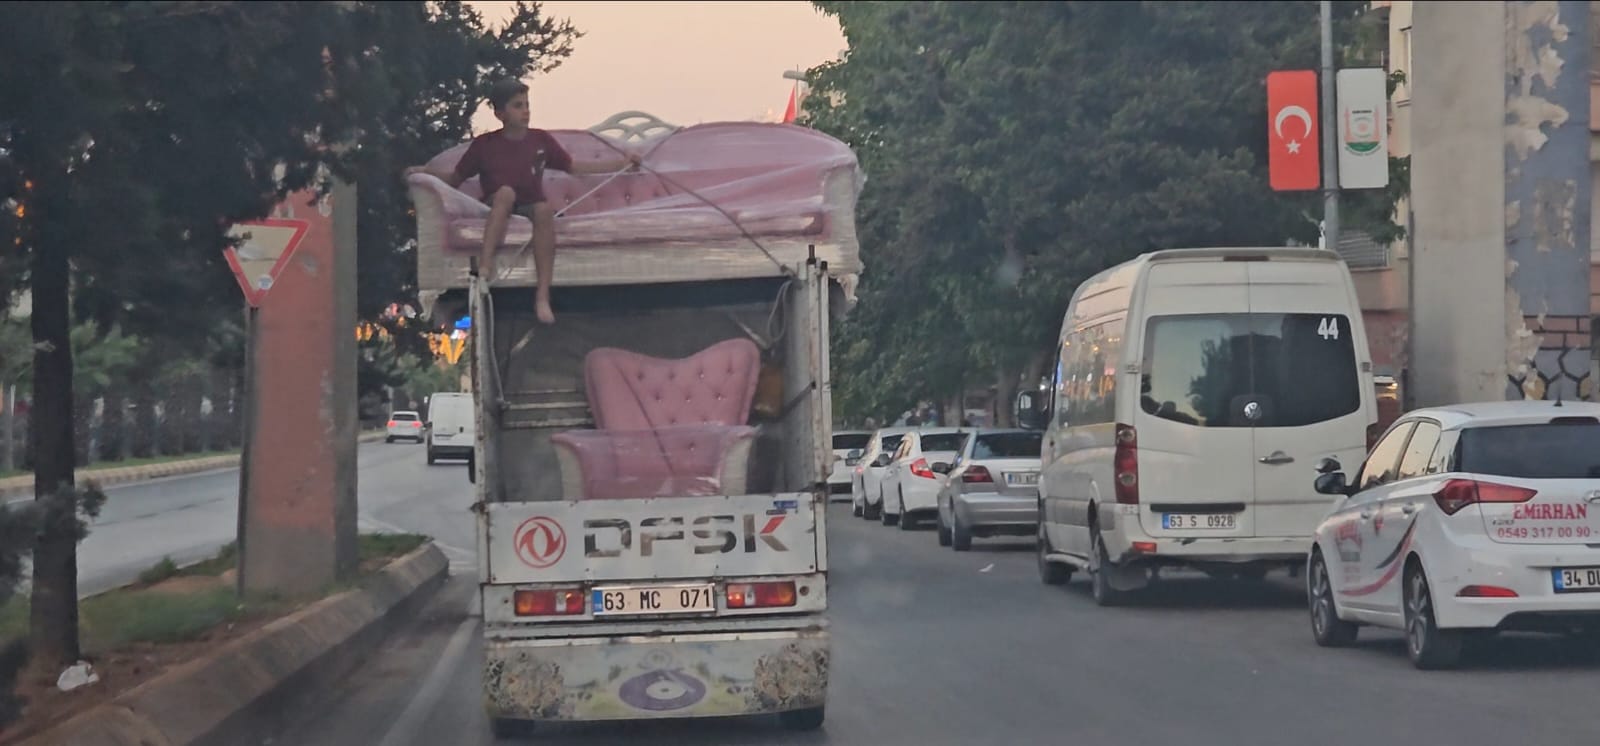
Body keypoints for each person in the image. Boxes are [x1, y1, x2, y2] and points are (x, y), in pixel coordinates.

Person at [407, 79, 638, 324]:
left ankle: (542, 296)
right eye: (518, 106)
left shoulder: (540, 140)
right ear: (500, 113)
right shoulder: (485, 145)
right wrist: (425, 171)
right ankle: (486, 265)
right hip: (498, 202)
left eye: (527, 105)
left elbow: (573, 166)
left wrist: (621, 164)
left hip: (530, 202)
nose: (525, 111)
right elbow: (455, 177)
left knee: (544, 210)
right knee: (506, 193)